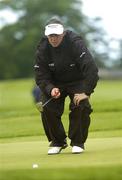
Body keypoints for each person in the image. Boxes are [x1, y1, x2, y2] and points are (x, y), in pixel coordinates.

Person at [34, 16, 99, 155]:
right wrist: (50, 88)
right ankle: (57, 141)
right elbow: (41, 75)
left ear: (63, 33)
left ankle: (78, 142)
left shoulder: (75, 43)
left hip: (77, 80)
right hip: (55, 83)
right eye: (50, 35)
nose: (53, 38)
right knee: (46, 107)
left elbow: (91, 68)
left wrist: (86, 92)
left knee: (81, 105)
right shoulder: (43, 48)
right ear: (47, 35)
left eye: (56, 35)